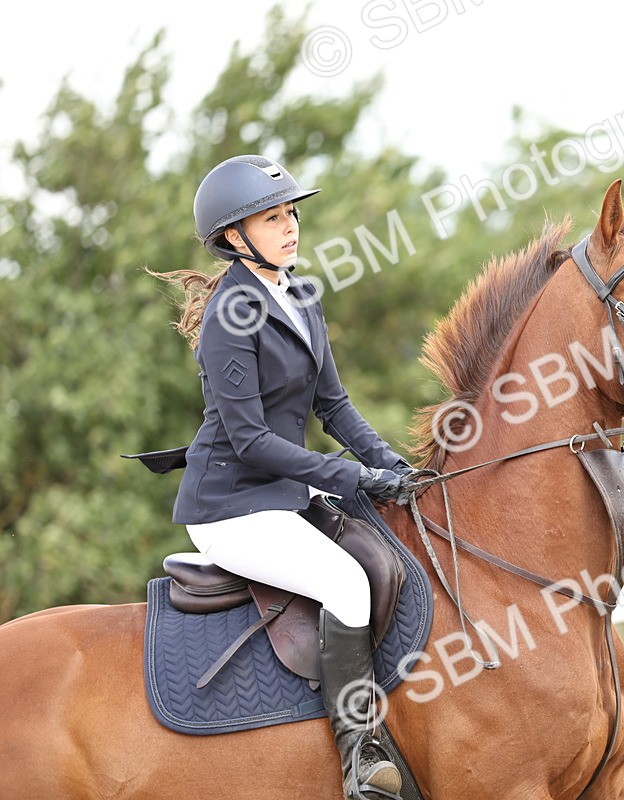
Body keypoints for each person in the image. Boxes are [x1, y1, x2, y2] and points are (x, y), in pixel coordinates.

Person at [149, 154, 415, 800]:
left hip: (284, 493)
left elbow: (334, 406)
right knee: (346, 582)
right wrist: (349, 477)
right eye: (273, 218)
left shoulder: (300, 294)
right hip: (231, 506)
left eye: (291, 212)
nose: (290, 226)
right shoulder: (227, 318)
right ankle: (361, 758)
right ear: (234, 237)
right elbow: (251, 442)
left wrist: (388, 463)